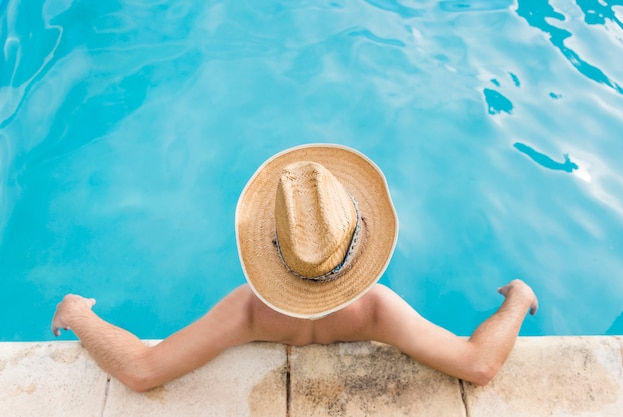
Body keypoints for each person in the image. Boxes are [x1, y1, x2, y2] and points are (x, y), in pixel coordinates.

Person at [51, 144, 538, 393]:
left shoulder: (247, 310)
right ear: (360, 239)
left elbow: (140, 371)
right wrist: (517, 300)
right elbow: (478, 365)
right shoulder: (374, 309)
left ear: (273, 242)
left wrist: (79, 315)